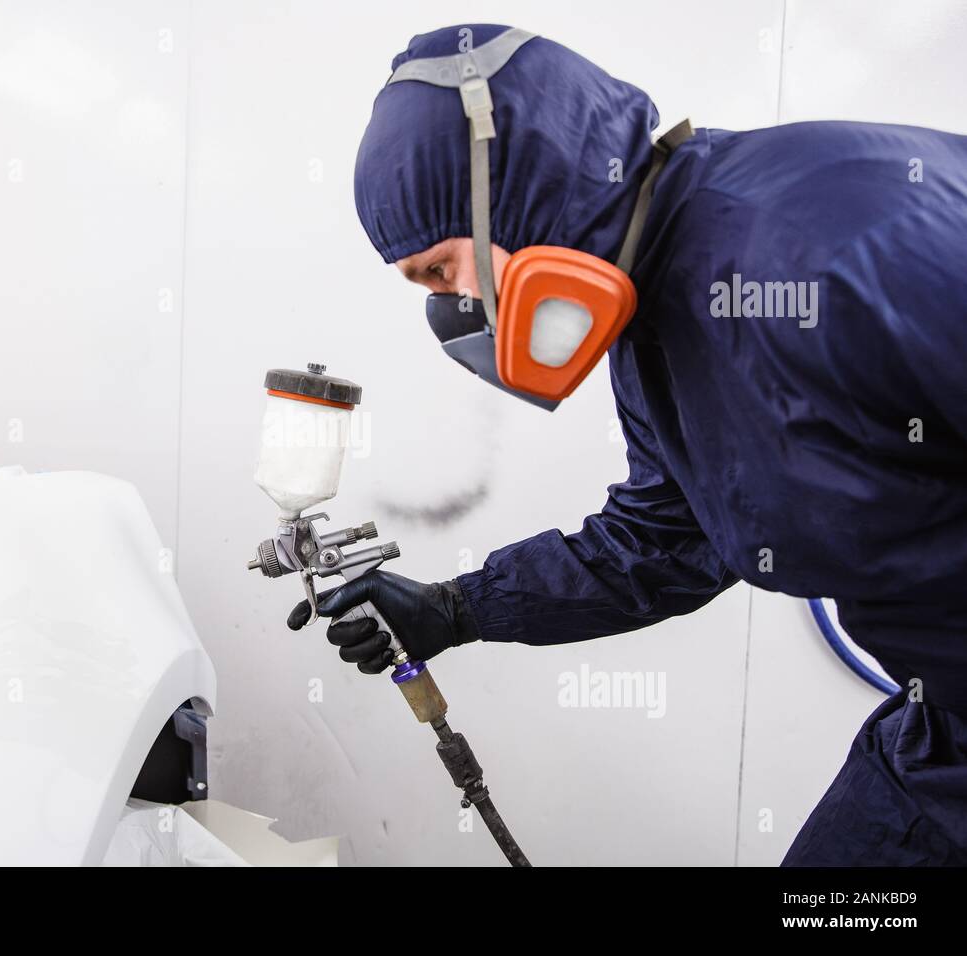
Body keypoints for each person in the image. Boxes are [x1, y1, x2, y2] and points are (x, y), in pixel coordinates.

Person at [291, 23, 967, 865]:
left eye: (439, 271)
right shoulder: (663, 317)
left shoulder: (836, 245)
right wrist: (455, 610)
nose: (458, 310)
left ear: (507, 183)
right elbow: (666, 544)